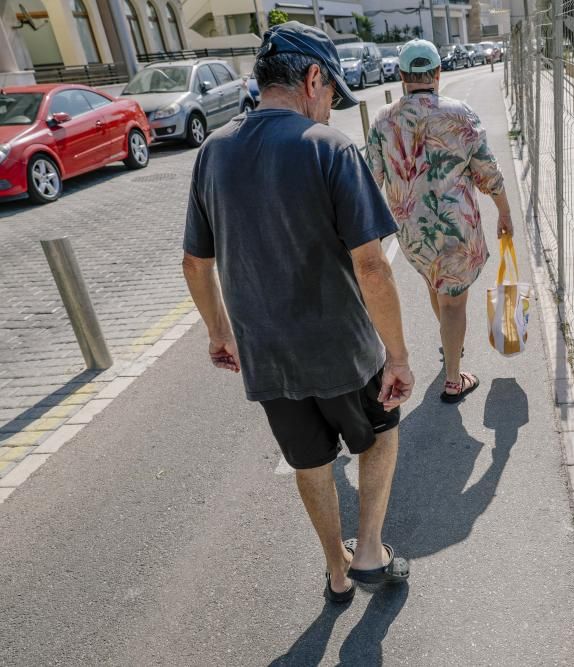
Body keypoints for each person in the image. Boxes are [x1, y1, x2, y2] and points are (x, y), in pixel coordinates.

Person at [182, 21, 414, 605]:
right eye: (332, 92)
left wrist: (219, 333)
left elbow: (194, 261)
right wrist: (399, 356)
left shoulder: (213, 152)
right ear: (313, 78)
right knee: (380, 436)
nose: (331, 107)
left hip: (268, 358)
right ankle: (368, 553)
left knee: (310, 462)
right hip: (342, 350)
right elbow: (372, 267)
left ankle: (335, 573)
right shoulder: (328, 148)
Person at [366, 39, 514, 404]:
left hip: (412, 234)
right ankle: (453, 379)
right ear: (437, 73)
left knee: (437, 288)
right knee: (454, 302)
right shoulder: (460, 113)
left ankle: (452, 348)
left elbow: (371, 181)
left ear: (402, 76)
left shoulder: (383, 120)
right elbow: (487, 172)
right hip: (455, 231)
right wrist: (504, 211)